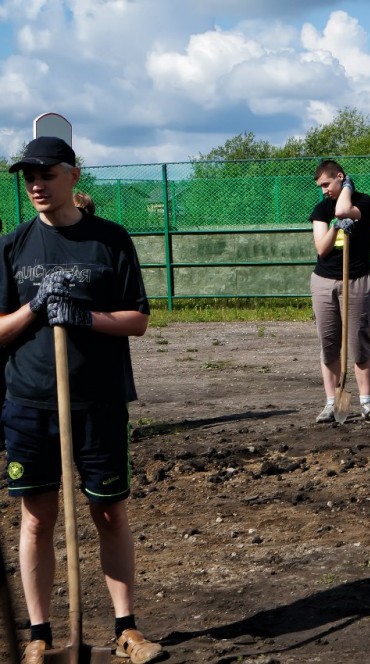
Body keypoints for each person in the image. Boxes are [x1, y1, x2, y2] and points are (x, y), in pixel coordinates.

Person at [1, 136, 163, 663]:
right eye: (28, 176)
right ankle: (40, 635)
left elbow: (137, 321)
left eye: (46, 173)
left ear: (72, 176)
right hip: (29, 402)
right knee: (37, 517)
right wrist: (35, 309)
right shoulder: (11, 246)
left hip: (98, 401)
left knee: (110, 514)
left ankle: (126, 629)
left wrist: (86, 317)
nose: (36, 184)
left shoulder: (110, 241)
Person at [309, 159, 370, 423]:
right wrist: (336, 228)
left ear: (340, 177)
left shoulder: (366, 203)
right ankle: (331, 403)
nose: (324, 190)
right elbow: (321, 248)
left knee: (359, 343)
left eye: (327, 184)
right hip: (325, 281)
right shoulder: (321, 209)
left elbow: (343, 210)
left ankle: (366, 402)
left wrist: (346, 192)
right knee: (329, 345)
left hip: (357, 279)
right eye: (321, 186)